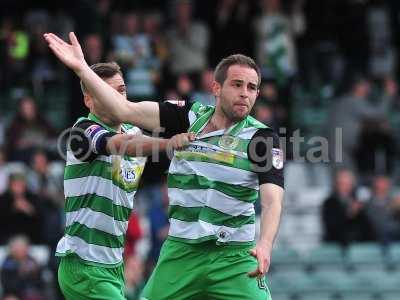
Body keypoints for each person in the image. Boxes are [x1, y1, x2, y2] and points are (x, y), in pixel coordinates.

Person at [44, 32, 284, 300]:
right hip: (170, 254)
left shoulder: (262, 138)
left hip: (233, 256)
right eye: (237, 85)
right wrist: (82, 69)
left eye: (251, 88)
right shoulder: (87, 131)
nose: (244, 94)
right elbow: (124, 131)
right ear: (216, 88)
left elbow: (273, 201)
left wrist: (265, 245)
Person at [50, 61, 194, 300]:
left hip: (114, 265)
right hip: (83, 266)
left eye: (122, 90)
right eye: (107, 92)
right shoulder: (83, 131)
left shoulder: (134, 131)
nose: (118, 97)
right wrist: (168, 143)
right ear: (89, 100)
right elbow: (119, 145)